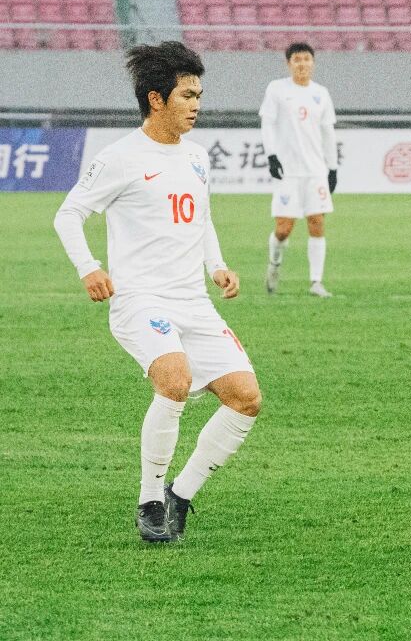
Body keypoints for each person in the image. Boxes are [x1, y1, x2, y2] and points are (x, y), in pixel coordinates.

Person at [53, 42, 262, 543]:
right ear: (156, 98)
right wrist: (89, 268)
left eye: (199, 95)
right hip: (140, 300)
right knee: (174, 380)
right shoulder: (120, 157)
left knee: (246, 398)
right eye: (187, 95)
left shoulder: (196, 156)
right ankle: (149, 500)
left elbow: (201, 219)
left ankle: (180, 495)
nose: (196, 105)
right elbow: (69, 214)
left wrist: (217, 266)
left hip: (193, 301)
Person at [260, 41, 338, 298]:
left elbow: (328, 132)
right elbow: (268, 123)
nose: (302, 64)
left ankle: (316, 282)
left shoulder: (321, 93)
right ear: (289, 63)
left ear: (313, 63)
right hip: (288, 172)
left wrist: (332, 168)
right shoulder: (277, 89)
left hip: (315, 171)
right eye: (297, 60)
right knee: (284, 229)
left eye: (306, 59)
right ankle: (274, 264)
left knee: (317, 223)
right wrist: (272, 156)